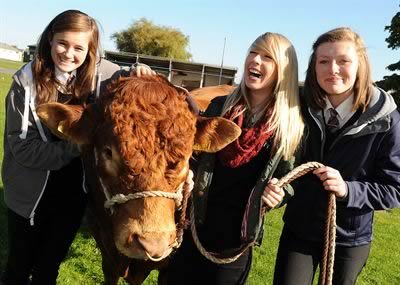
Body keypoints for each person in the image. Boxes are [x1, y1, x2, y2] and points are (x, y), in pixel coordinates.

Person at [0, 10, 154, 285]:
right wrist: (77, 146)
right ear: (50, 39)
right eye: (62, 43)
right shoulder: (25, 82)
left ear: (90, 50)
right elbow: (21, 148)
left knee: (49, 267)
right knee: (18, 265)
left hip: (75, 192)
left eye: (79, 47)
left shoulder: (103, 75)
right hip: (28, 192)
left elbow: (129, 82)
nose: (69, 53)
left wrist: (138, 72)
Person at [166, 32, 304, 285]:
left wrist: (280, 195)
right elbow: (194, 153)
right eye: (253, 53)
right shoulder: (220, 106)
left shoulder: (290, 126)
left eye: (267, 57)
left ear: (284, 70)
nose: (255, 61)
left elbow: (290, 179)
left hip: (236, 241)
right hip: (194, 226)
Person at [271, 27, 400, 285]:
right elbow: (284, 161)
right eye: (324, 61)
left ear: (360, 65)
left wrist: (348, 190)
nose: (333, 69)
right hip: (300, 230)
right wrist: (278, 187)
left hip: (349, 238)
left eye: (343, 61)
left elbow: (394, 188)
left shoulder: (386, 120)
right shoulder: (298, 109)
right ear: (314, 67)